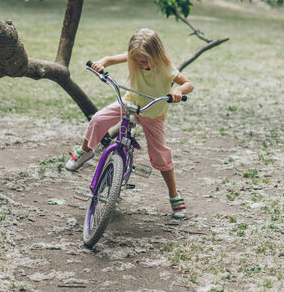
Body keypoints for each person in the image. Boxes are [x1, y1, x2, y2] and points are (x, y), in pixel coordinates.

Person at [65, 28, 194, 219]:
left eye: (144, 61)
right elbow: (110, 59)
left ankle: (174, 194)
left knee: (161, 155)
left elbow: (188, 84)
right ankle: (86, 150)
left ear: (156, 55)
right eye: (136, 60)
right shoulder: (134, 56)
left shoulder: (164, 67)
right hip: (130, 102)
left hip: (153, 113)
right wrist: (102, 63)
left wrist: (178, 90)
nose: (140, 64)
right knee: (98, 119)